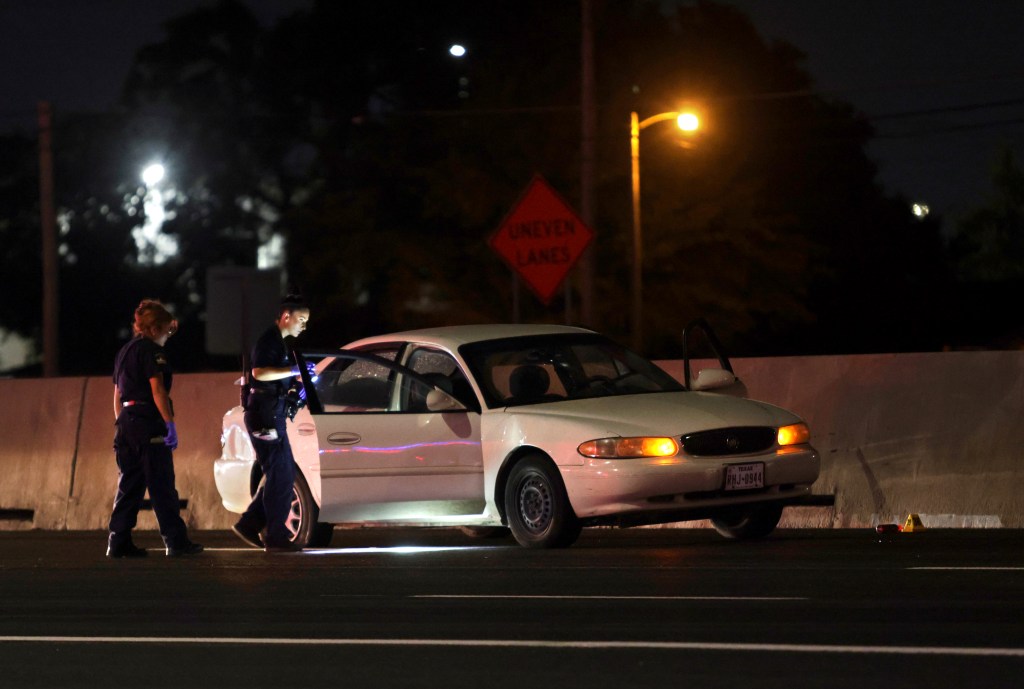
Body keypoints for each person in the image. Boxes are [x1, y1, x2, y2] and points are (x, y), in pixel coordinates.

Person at [107, 300, 203, 558]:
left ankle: (118, 541)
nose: (167, 337)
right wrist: (169, 424)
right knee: (162, 485)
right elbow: (157, 390)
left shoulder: (124, 352)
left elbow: (117, 395)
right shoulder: (151, 352)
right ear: (153, 329)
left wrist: (123, 423)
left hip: (126, 422)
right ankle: (176, 542)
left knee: (129, 486)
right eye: (166, 331)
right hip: (148, 423)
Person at [232, 295, 311, 553]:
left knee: (282, 474)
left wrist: (298, 379)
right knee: (280, 475)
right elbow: (259, 373)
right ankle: (274, 537)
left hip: (271, 413)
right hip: (264, 414)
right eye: (301, 320)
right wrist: (294, 371)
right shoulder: (270, 340)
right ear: (286, 316)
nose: (304, 326)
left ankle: (249, 523)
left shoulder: (279, 343)